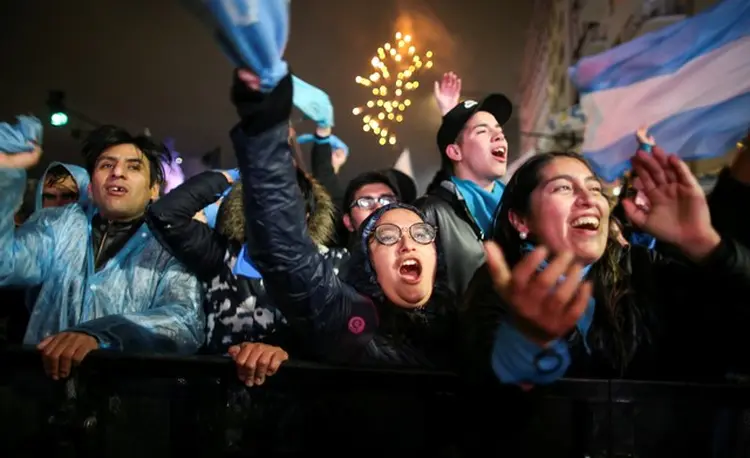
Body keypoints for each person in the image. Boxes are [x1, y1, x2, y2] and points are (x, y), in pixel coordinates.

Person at [460, 146, 750, 456]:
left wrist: (706, 246)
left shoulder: (643, 270)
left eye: (595, 188)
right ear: (521, 220)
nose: (588, 199)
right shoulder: (498, 286)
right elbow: (488, 410)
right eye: (563, 188)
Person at [227, 68, 456, 370]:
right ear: (368, 260)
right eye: (387, 236)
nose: (407, 244)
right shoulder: (348, 317)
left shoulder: (464, 317)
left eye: (421, 234)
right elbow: (287, 252)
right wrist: (265, 122)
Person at [0, 126, 204, 380]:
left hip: (129, 401)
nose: (117, 173)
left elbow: (184, 322)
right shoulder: (56, 225)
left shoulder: (172, 243)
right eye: (106, 165)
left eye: (133, 167)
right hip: (42, 391)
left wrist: (102, 335)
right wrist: (5, 174)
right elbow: (5, 265)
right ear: (91, 186)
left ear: (154, 189)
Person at [416, 78, 513, 298]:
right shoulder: (431, 214)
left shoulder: (522, 208)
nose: (499, 136)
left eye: (500, 131)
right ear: (455, 152)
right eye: (482, 131)